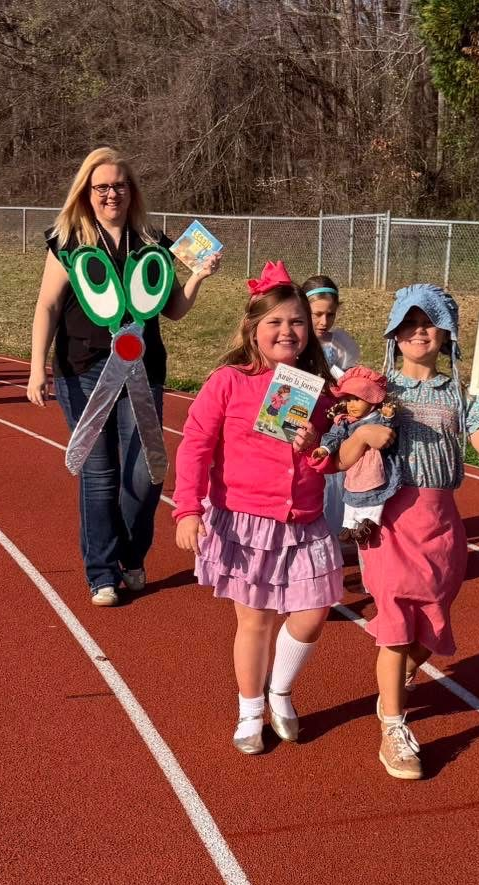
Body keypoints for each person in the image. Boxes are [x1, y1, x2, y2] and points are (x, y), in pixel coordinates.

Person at [336, 283, 479, 780]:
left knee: (431, 621)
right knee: (395, 619)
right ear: (394, 333)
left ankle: (399, 681)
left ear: (447, 334)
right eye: (409, 324)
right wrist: (363, 431)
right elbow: (340, 457)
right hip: (388, 516)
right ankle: (393, 728)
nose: (418, 332)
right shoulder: (376, 388)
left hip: (442, 520)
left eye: (428, 323)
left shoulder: (461, 392)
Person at [26, 146, 221, 606]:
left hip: (142, 370)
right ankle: (101, 573)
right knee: (98, 474)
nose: (111, 194)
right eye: (102, 187)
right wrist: (37, 368)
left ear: (132, 191)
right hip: (82, 370)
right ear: (86, 192)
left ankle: (132, 557)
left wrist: (196, 278)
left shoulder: (154, 241)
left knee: (146, 472)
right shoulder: (67, 240)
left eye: (119, 185)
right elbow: (48, 305)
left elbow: (172, 310)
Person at [173, 261, 341, 755]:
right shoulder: (229, 381)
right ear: (253, 330)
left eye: (296, 321)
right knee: (256, 621)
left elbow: (331, 460)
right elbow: (196, 444)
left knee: (313, 612)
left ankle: (281, 690)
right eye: (275, 322)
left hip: (305, 520)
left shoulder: (320, 389)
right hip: (245, 520)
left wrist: (319, 446)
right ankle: (250, 711)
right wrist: (188, 508)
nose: (287, 330)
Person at [311, 366, 398, 545]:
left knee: (375, 492)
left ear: (372, 401)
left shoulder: (377, 418)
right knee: (350, 493)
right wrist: (324, 449)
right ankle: (350, 525)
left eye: (357, 399)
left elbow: (387, 431)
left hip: (375, 465)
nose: (351, 405)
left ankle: (368, 522)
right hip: (355, 466)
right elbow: (334, 437)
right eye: (348, 399)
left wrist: (388, 417)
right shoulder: (344, 421)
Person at [302, 275, 360, 536]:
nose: (324, 322)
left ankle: (323, 531)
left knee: (325, 476)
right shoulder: (293, 338)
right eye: (317, 314)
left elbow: (349, 383)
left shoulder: (342, 345)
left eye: (330, 315)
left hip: (328, 421)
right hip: (300, 416)